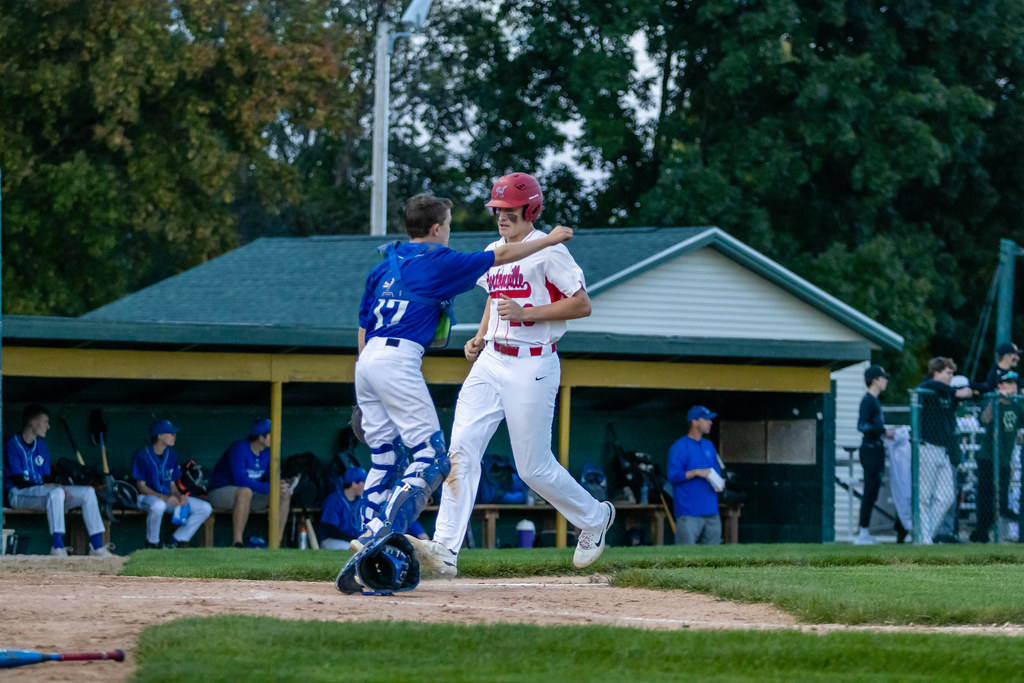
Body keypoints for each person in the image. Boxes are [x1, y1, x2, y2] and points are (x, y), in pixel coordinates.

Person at [336, 189, 578, 594]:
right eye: (447, 226)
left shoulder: (385, 264)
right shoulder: (439, 260)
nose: (450, 233)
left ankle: (368, 531)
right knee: (432, 459)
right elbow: (499, 259)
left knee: (384, 458)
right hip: (399, 362)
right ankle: (382, 533)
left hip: (367, 362)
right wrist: (550, 239)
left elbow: (363, 326)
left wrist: (365, 391)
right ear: (435, 228)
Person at [409, 173, 615, 579]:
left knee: (533, 468)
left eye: (508, 210)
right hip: (492, 361)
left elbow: (583, 306)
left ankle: (594, 517)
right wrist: (480, 336)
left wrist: (528, 314)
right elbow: (494, 297)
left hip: (534, 362)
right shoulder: (494, 250)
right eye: (497, 209)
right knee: (460, 451)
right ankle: (446, 549)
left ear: (531, 209)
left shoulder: (549, 253)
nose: (501, 216)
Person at [2, 405, 113, 557]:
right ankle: (57, 547)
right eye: (45, 422)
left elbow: (47, 478)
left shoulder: (41, 446)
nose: (48, 426)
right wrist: (54, 488)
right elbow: (19, 481)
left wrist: (57, 486)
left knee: (87, 492)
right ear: (33, 422)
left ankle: (97, 547)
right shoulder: (12, 444)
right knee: (56, 493)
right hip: (18, 494)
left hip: (42, 494)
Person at [208, 418, 292, 548]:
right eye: (272, 434)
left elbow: (272, 479)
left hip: (252, 495)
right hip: (220, 493)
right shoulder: (240, 447)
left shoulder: (269, 452)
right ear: (261, 438)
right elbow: (240, 480)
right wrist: (270, 487)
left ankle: (276, 543)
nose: (277, 437)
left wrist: (280, 485)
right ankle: (238, 543)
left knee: (284, 494)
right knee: (245, 492)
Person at [917, 357, 974, 545]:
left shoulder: (947, 394)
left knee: (947, 497)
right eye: (948, 373)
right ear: (937, 371)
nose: (951, 377)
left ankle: (926, 534)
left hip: (943, 450)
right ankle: (924, 538)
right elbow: (929, 385)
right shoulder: (928, 388)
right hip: (927, 447)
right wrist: (956, 392)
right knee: (924, 497)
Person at [131, 419, 213, 549]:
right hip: (145, 498)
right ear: (159, 436)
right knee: (158, 506)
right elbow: (141, 486)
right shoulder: (142, 454)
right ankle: (152, 544)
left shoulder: (171, 455)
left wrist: (179, 496)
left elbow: (172, 484)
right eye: (170, 433)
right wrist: (164, 498)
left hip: (168, 498)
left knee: (205, 508)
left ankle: (173, 541)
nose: (174, 436)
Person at [667, 406, 725, 545]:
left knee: (713, 557)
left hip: (711, 509)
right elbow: (673, 476)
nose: (710, 422)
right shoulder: (680, 446)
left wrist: (720, 482)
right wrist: (696, 472)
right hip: (688, 512)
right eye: (706, 419)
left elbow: (716, 472)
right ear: (694, 421)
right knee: (685, 556)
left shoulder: (708, 445)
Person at [976, 371, 1024, 543]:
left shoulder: (1017, 406)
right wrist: (996, 399)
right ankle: (981, 532)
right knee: (986, 496)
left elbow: (1017, 431)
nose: (1013, 386)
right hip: (988, 457)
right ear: (1000, 385)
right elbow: (985, 419)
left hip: (1005, 457)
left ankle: (992, 530)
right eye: (1008, 383)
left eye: (1014, 383)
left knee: (1001, 497)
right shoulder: (993, 402)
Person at [854, 365, 895, 545]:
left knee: (873, 491)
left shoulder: (875, 401)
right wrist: (883, 430)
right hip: (870, 450)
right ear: (875, 380)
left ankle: (865, 530)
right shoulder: (868, 401)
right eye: (883, 377)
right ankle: (862, 531)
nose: (886, 381)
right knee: (869, 491)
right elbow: (862, 425)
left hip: (876, 449)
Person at [320, 466, 366, 550]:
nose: (366, 486)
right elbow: (330, 530)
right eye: (363, 482)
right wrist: (353, 540)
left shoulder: (359, 501)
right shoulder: (334, 500)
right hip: (332, 540)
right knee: (357, 550)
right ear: (354, 484)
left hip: (351, 540)